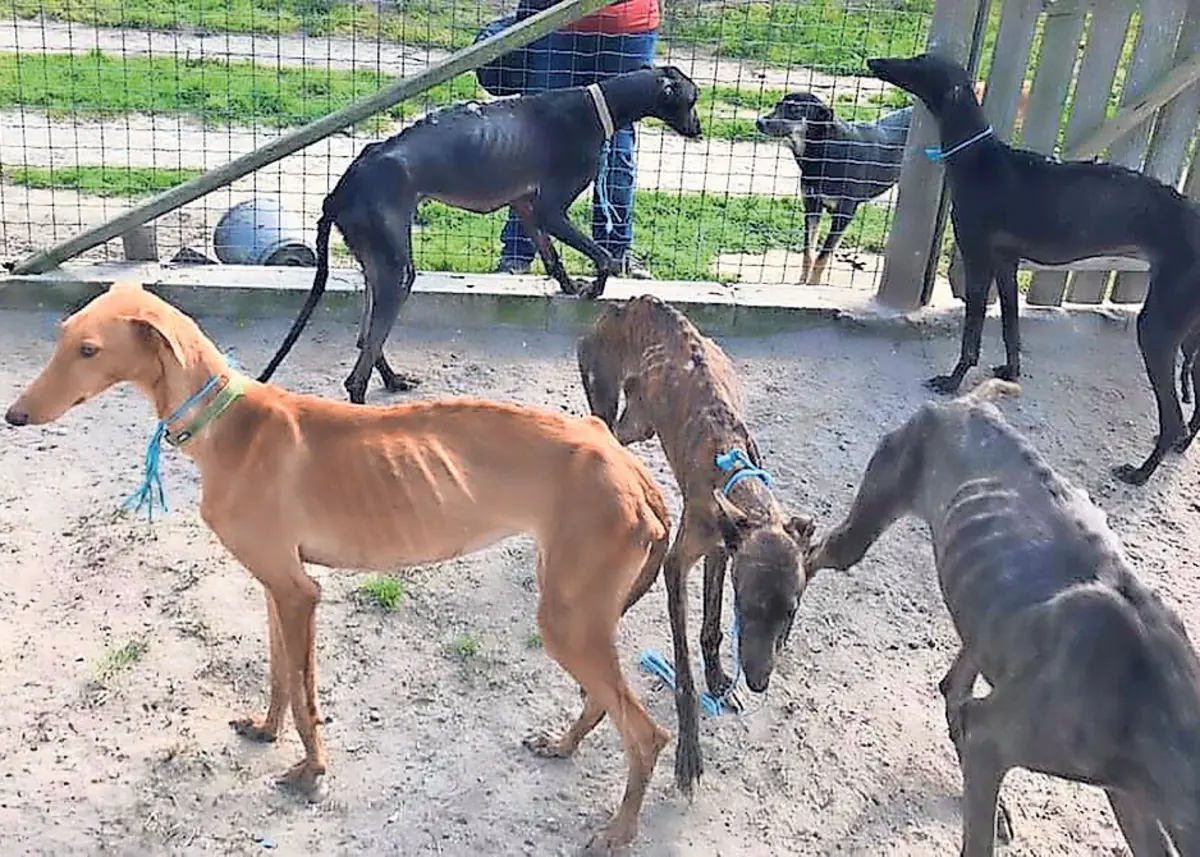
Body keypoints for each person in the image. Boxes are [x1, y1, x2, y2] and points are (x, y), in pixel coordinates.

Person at [495, 0, 660, 279]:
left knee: (615, 142)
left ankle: (616, 251)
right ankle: (518, 252)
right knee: (537, 137)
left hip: (626, 25)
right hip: (555, 20)